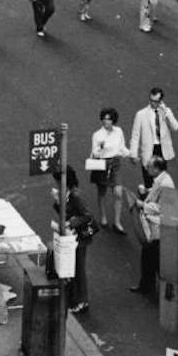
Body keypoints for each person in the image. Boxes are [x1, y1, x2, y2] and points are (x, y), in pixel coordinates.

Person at [129, 157, 175, 298]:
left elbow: (163, 207)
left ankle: (167, 290)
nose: (147, 169)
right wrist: (146, 192)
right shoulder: (161, 179)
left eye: (149, 167)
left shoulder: (166, 184)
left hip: (158, 227)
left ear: (156, 168)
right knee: (148, 257)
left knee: (155, 260)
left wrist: (143, 205)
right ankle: (146, 285)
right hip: (154, 226)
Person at [51, 165, 92, 314]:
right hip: (71, 236)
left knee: (79, 269)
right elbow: (64, 212)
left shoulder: (75, 196)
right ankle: (75, 297)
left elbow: (87, 215)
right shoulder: (66, 193)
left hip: (79, 237)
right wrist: (57, 202)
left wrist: (71, 222)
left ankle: (82, 300)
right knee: (73, 267)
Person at [129, 87, 178, 184]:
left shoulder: (166, 112)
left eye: (156, 101)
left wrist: (167, 113)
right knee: (148, 179)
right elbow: (135, 136)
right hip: (149, 150)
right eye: (151, 100)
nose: (152, 103)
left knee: (161, 179)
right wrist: (133, 154)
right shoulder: (141, 114)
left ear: (161, 101)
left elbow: (175, 127)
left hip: (162, 149)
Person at [89, 107, 128, 232]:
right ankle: (103, 217)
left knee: (118, 192)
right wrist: (101, 148)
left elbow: (122, 148)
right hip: (102, 164)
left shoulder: (119, 131)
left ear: (113, 120)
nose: (106, 121)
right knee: (102, 192)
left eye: (109, 119)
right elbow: (94, 153)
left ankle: (117, 222)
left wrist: (131, 155)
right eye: (104, 119)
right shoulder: (97, 135)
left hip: (115, 163)